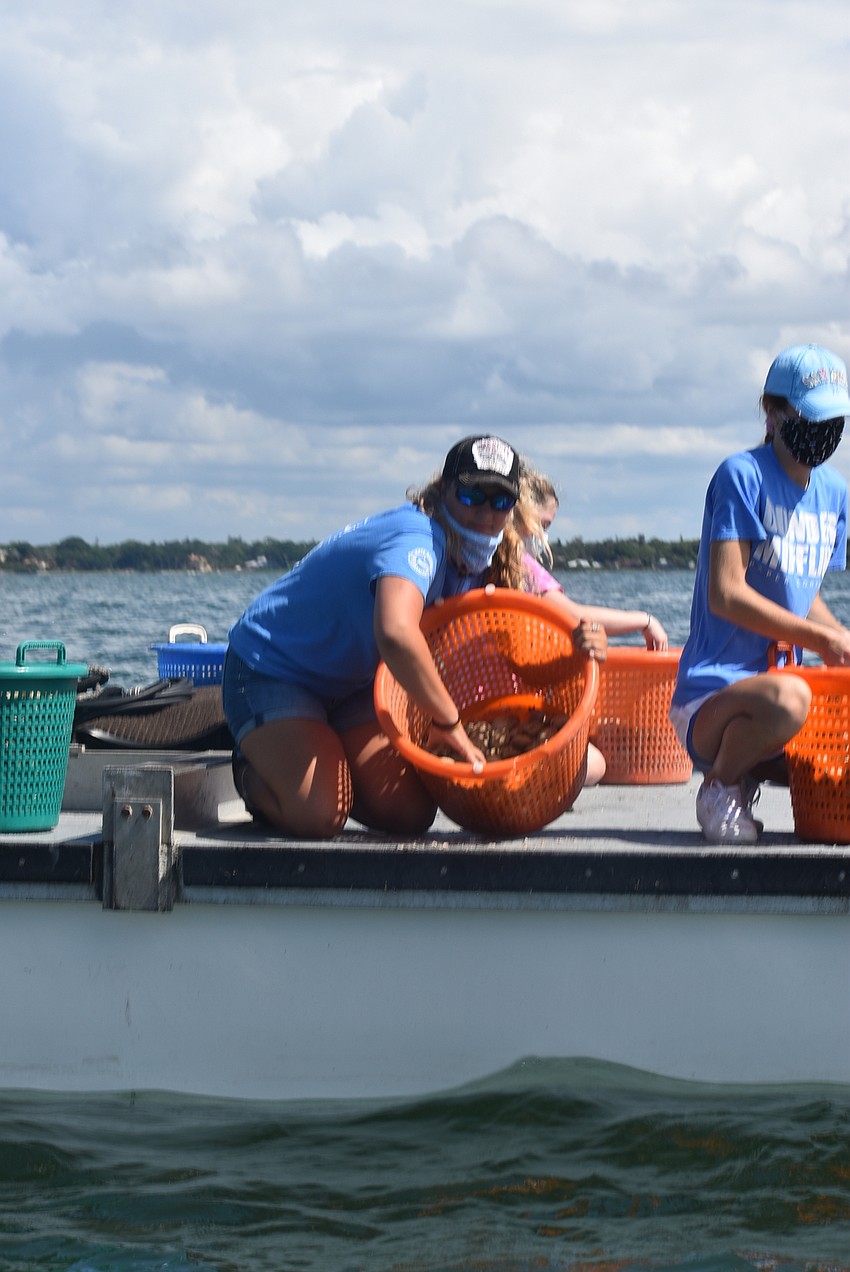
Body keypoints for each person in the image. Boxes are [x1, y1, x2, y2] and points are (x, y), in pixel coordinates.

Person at [224, 435, 531, 838]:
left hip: (352, 685)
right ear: (443, 490)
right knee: (319, 817)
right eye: (472, 495)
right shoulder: (418, 536)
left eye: (500, 501)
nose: (486, 514)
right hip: (272, 669)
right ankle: (252, 772)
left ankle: (316, 755)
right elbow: (396, 633)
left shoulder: (473, 558)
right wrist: (448, 720)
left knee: (408, 816)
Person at [670, 343, 850, 844]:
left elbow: (801, 592)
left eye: (833, 420)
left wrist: (838, 637)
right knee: (792, 697)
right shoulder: (741, 476)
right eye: (811, 418)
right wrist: (821, 640)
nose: (822, 432)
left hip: (778, 691)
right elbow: (726, 594)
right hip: (713, 695)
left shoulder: (834, 493)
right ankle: (721, 784)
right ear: (772, 413)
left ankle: (750, 771)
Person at [495, 463, 669, 784]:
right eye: (544, 525)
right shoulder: (521, 566)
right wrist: (644, 620)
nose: (543, 535)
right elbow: (573, 617)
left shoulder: (480, 557)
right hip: (508, 712)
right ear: (525, 514)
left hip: (468, 707)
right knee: (595, 764)